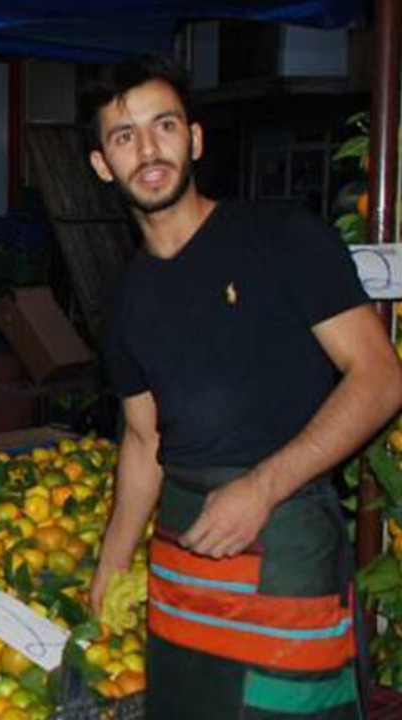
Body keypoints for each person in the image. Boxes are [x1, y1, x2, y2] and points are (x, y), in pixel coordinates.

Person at [82, 55, 402, 719]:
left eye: (163, 125)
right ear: (102, 166)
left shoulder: (284, 238)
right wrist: (111, 564)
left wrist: (261, 488)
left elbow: (378, 378)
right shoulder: (127, 298)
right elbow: (144, 439)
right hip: (181, 550)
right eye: (124, 136)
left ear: (194, 139)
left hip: (285, 539)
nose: (148, 150)